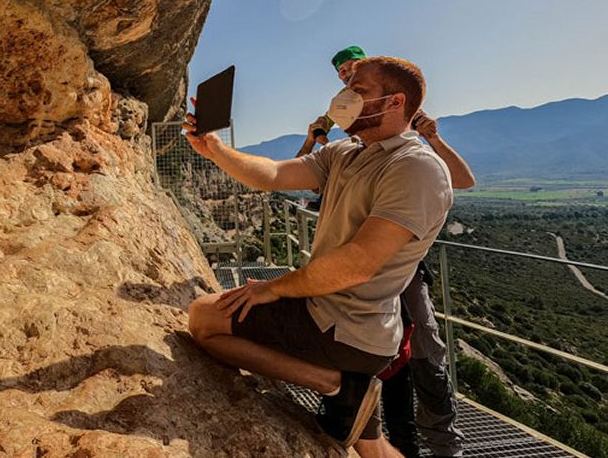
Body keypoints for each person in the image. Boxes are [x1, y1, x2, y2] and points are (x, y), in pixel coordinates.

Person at [185, 56, 454, 457]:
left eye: (358, 91)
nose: (344, 99)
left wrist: (273, 289)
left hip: (345, 326)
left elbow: (358, 264)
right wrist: (215, 149)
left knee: (204, 318)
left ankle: (335, 384)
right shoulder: (347, 151)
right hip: (339, 318)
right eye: (346, 89)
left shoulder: (415, 168)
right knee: (372, 446)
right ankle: (352, 392)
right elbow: (274, 174)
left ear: (396, 102)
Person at [299, 57, 473, 458]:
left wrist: (432, 138)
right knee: (382, 363)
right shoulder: (347, 133)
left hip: (401, 270)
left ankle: (443, 446)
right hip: (353, 271)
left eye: (353, 76)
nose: (346, 80)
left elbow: (462, 179)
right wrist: (315, 139)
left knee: (423, 354)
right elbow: (306, 176)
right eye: (342, 76)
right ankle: (390, 438)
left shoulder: (404, 136)